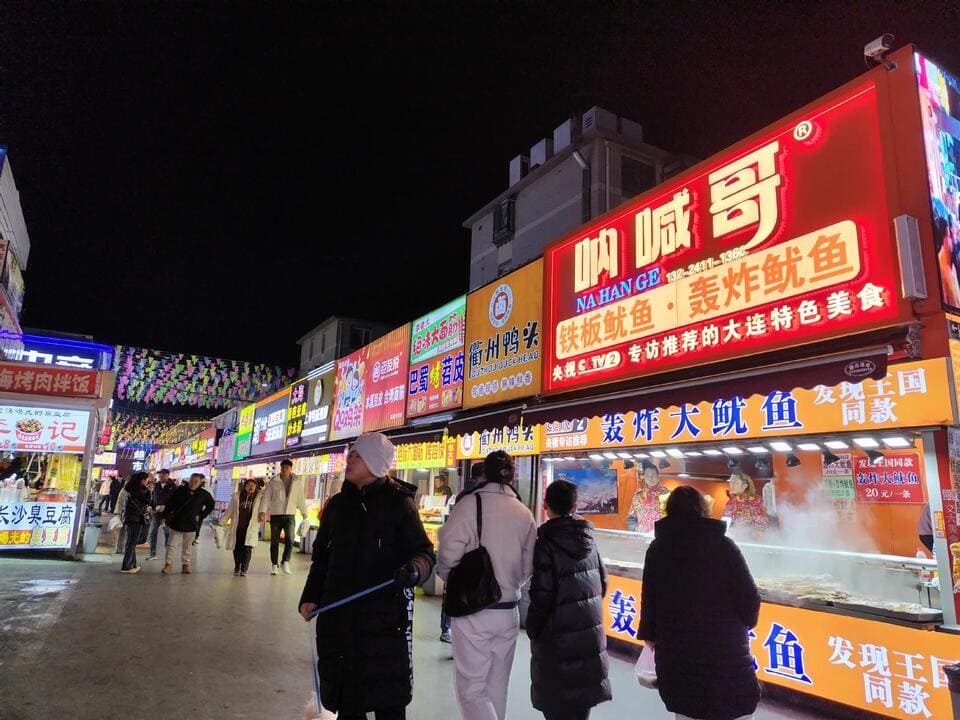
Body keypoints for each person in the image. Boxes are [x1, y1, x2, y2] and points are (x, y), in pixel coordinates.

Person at [298, 432, 435, 720]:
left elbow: (424, 553)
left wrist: (414, 570)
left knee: (388, 702)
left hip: (383, 623)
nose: (349, 459)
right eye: (351, 454)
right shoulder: (337, 506)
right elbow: (321, 558)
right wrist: (311, 596)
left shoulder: (400, 504)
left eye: (357, 455)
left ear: (374, 463)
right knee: (348, 702)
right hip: (338, 620)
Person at [639, 485, 761, 720]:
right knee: (732, 705)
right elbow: (750, 596)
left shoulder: (657, 549)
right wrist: (744, 623)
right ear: (702, 509)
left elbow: (649, 599)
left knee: (688, 706)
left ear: (669, 510)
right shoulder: (724, 546)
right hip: (725, 649)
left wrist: (651, 636)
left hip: (676, 650)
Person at [437, 451, 537, 720]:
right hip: (508, 611)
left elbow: (447, 553)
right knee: (497, 686)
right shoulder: (524, 512)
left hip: (474, 610)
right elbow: (529, 566)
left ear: (484, 473)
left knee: (472, 690)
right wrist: (511, 584)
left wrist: (451, 577)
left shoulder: (470, 504)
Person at [527, 480, 611, 720]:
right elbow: (603, 583)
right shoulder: (588, 538)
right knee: (581, 707)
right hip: (589, 638)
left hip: (557, 641)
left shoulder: (546, 542)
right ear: (575, 507)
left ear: (546, 505)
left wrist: (533, 628)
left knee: (556, 706)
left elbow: (542, 596)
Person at [440, 462, 486, 643]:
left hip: (461, 553)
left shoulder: (464, 494)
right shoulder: (474, 496)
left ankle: (447, 628)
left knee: (454, 591)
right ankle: (448, 629)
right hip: (470, 553)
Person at [161, 473, 215, 575]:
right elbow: (170, 504)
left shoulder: (203, 494)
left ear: (200, 482)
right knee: (171, 545)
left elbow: (211, 505)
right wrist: (165, 516)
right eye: (191, 481)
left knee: (187, 546)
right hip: (177, 521)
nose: (193, 484)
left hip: (191, 523)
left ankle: (185, 565)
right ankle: (168, 564)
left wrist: (201, 515)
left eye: (196, 482)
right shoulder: (180, 490)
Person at [263, 459, 309, 575]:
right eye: (283, 467)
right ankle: (274, 565)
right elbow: (267, 497)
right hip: (276, 515)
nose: (284, 469)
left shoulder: (297, 481)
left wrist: (304, 513)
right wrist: (262, 511)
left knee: (290, 538)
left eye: (287, 467)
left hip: (290, 514)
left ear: (291, 469)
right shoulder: (274, 481)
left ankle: (285, 561)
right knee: (274, 541)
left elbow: (300, 498)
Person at [222, 478, 265, 576]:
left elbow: (266, 503)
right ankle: (237, 566)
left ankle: (244, 569)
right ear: (245, 487)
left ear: (256, 487)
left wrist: (263, 515)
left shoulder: (259, 497)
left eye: (253, 485)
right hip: (238, 527)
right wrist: (222, 522)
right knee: (237, 548)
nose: (251, 487)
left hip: (250, 528)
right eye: (249, 485)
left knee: (247, 548)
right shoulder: (237, 497)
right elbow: (229, 511)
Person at [120, 472, 151, 574]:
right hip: (135, 519)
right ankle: (126, 566)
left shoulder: (131, 488)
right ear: (142, 480)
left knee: (131, 542)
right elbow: (148, 501)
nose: (147, 482)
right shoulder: (138, 490)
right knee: (131, 542)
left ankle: (132, 564)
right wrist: (149, 491)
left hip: (130, 518)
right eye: (146, 480)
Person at [147, 469, 177, 560]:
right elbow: (152, 497)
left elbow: (175, 501)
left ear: (167, 476)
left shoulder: (173, 486)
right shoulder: (156, 485)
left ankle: (168, 554)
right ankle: (152, 554)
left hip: (167, 514)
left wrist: (165, 507)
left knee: (167, 533)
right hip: (156, 513)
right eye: (160, 476)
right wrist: (151, 506)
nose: (161, 477)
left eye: (163, 476)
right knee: (152, 532)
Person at [192, 477, 215, 546]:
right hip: (198, 511)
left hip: (200, 511)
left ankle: (194, 538)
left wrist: (202, 514)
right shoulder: (189, 489)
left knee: (198, 524)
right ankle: (194, 538)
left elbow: (211, 503)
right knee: (197, 524)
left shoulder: (206, 490)